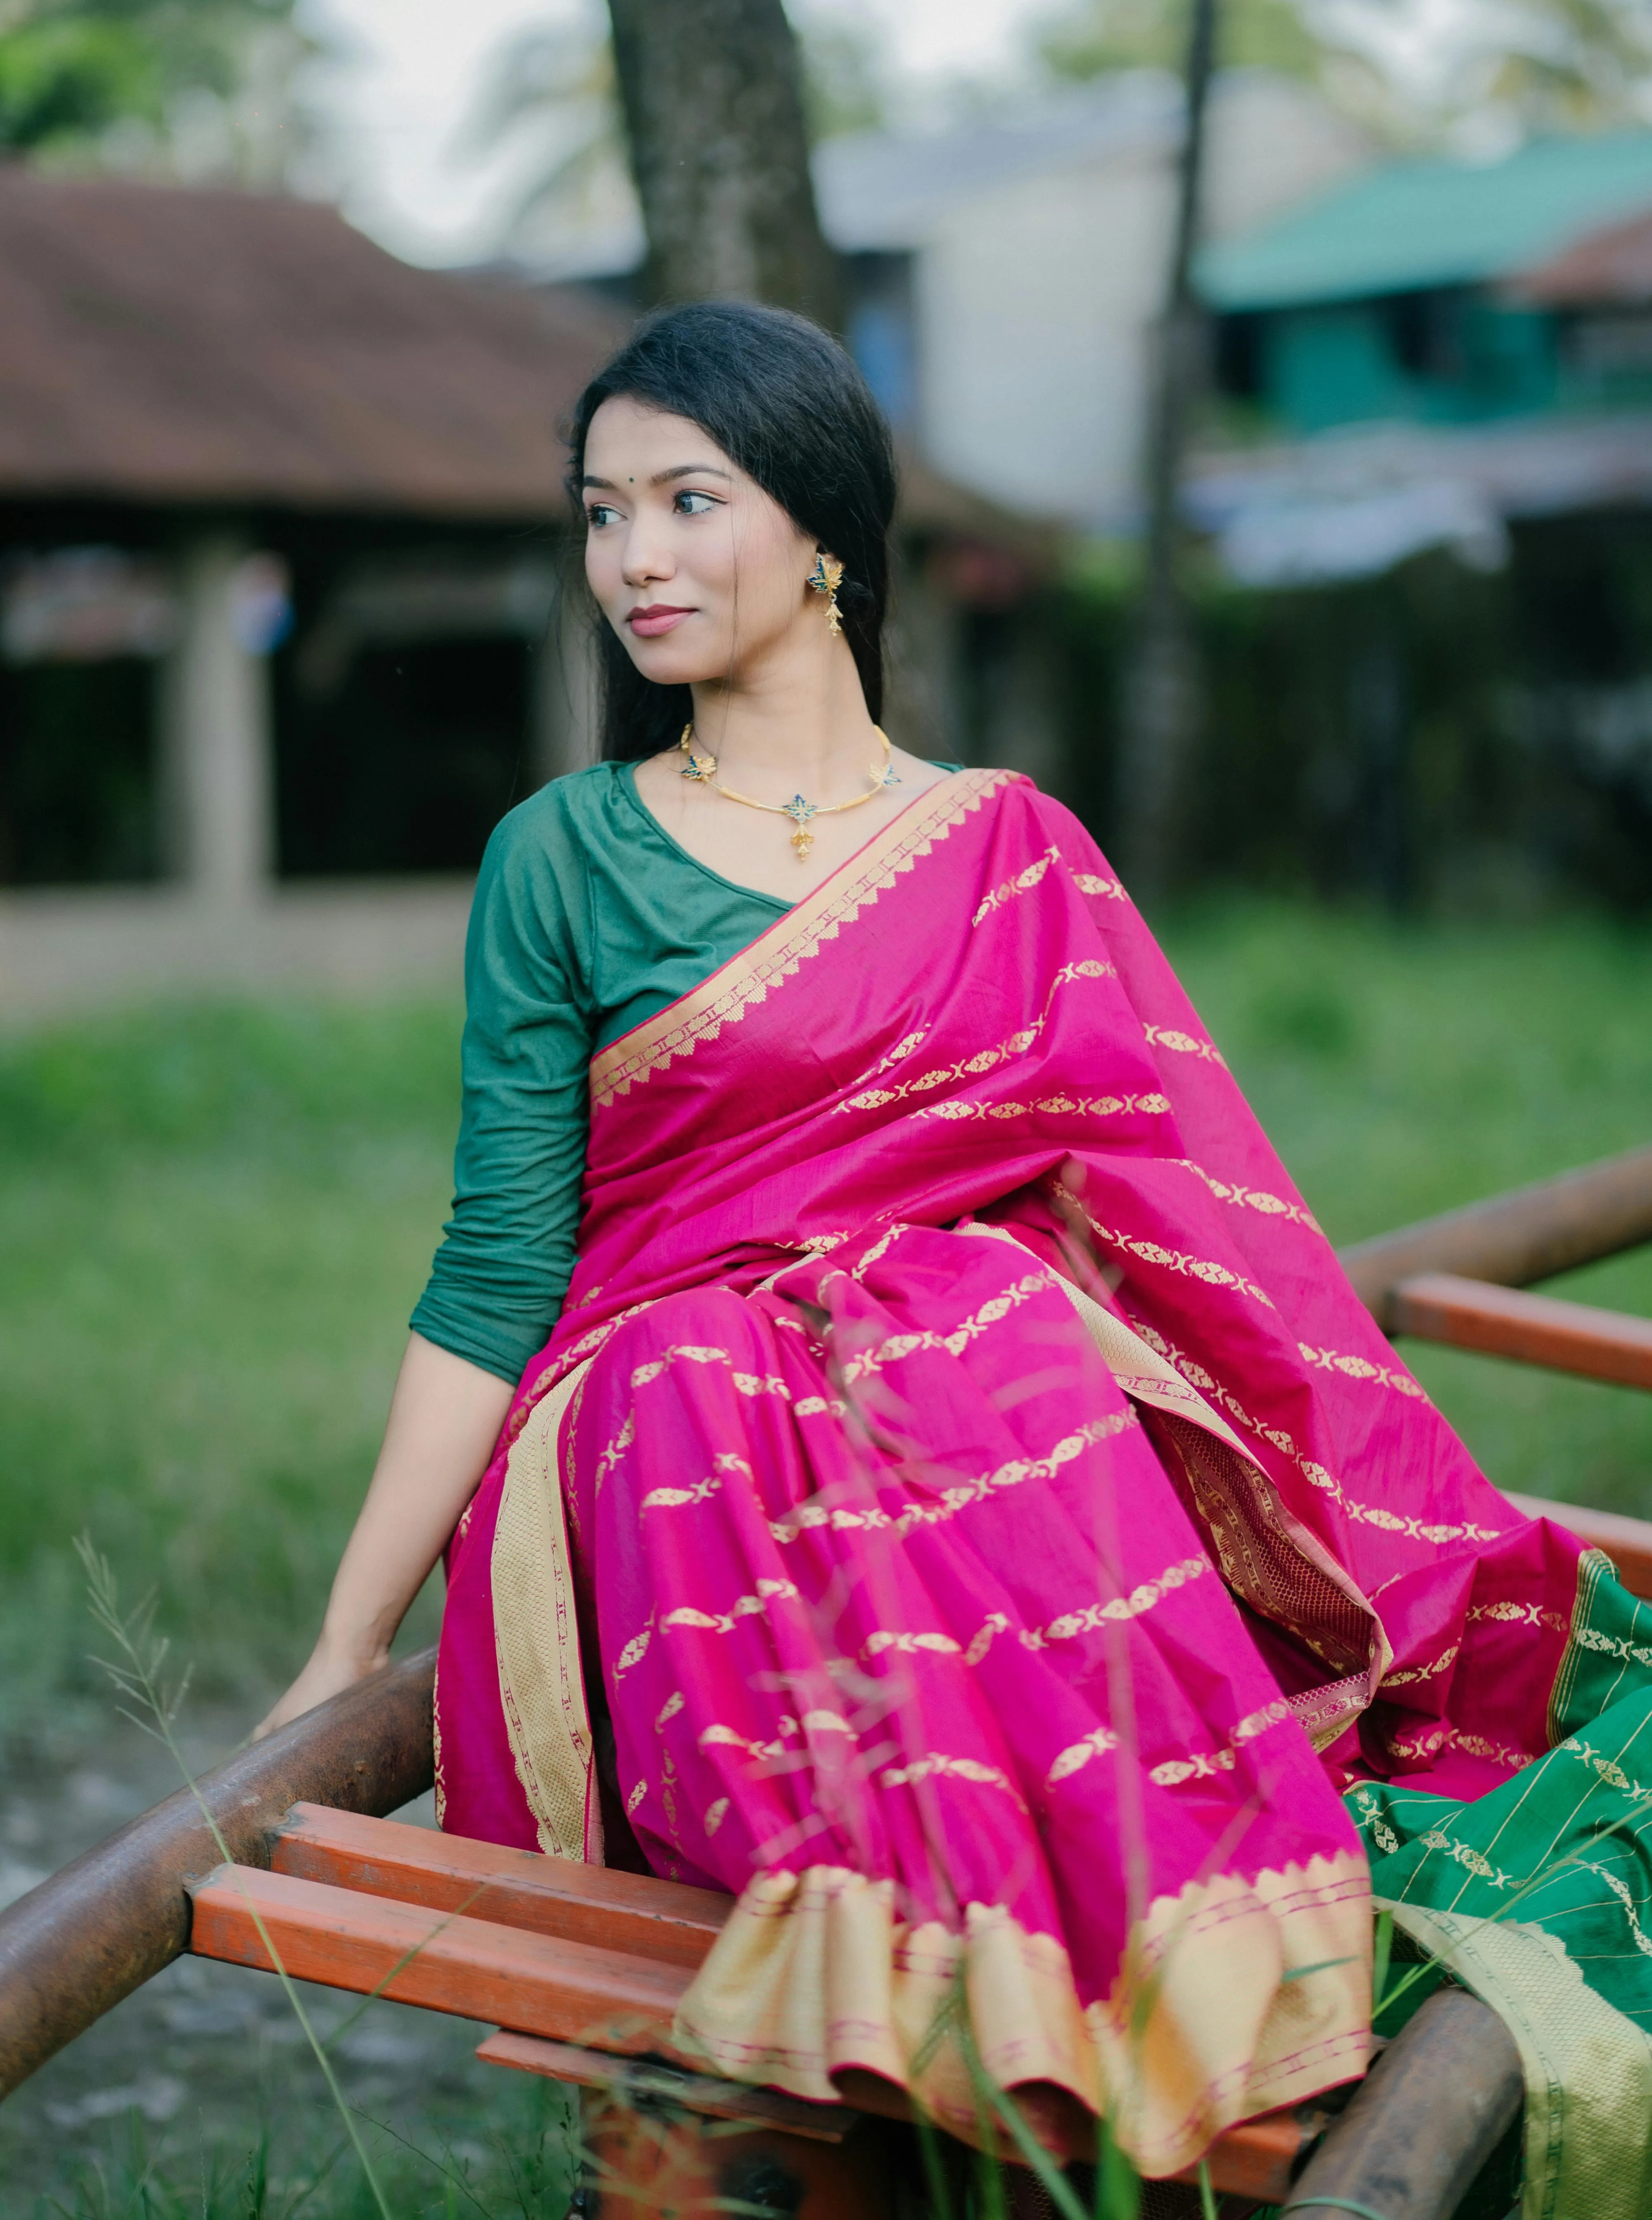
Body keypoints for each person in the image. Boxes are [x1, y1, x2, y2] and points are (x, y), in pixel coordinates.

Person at [261, 303, 1652, 2199]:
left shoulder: (1008, 850)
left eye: (687, 501)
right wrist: (345, 1641)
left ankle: (1120, 1967)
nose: (635, 559)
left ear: (826, 530)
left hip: (966, 1424)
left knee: (978, 1311)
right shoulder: (563, 855)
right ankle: (907, 1948)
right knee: (715, 1368)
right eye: (603, 514)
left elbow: (1182, 1224)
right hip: (669, 1424)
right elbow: (501, 1265)